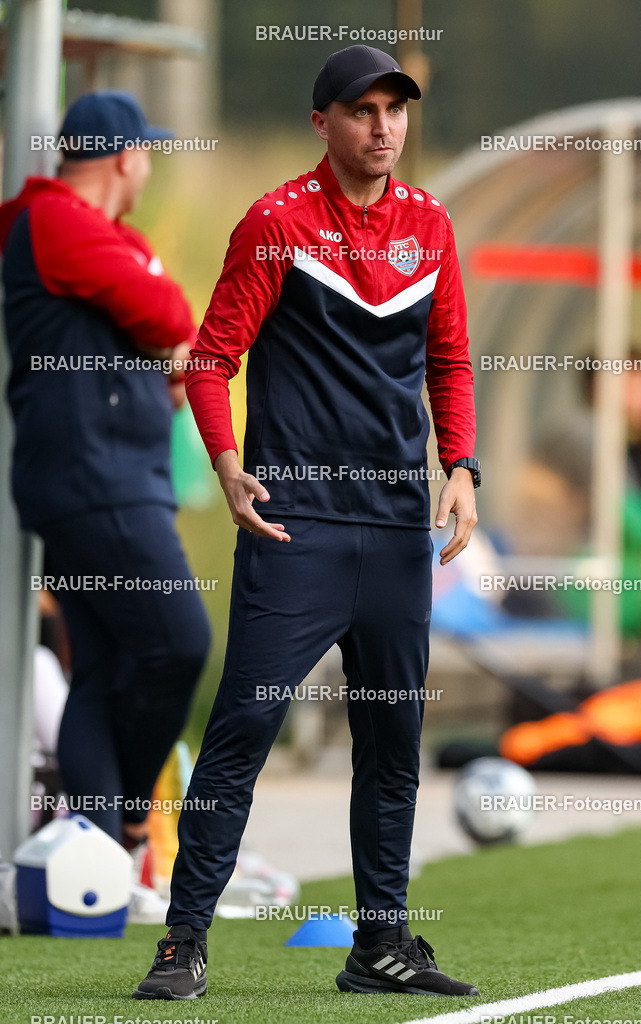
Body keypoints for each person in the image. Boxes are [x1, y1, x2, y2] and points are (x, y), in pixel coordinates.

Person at [134, 46, 480, 1001]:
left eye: (395, 109)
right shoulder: (275, 222)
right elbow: (211, 361)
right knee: (243, 728)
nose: (383, 126)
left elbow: (449, 361)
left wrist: (461, 467)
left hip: (399, 531)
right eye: (363, 110)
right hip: (295, 528)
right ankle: (182, 945)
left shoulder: (431, 224)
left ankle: (381, 946)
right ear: (322, 123)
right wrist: (227, 464)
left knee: (392, 744)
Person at [0, 91, 211, 850]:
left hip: (104, 478)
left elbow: (175, 348)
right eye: (146, 151)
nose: (148, 165)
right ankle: (127, 825)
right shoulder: (56, 218)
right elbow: (168, 315)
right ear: (125, 158)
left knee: (103, 667)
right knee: (181, 643)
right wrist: (164, 339)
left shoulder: (98, 233)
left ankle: (97, 860)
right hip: (97, 481)